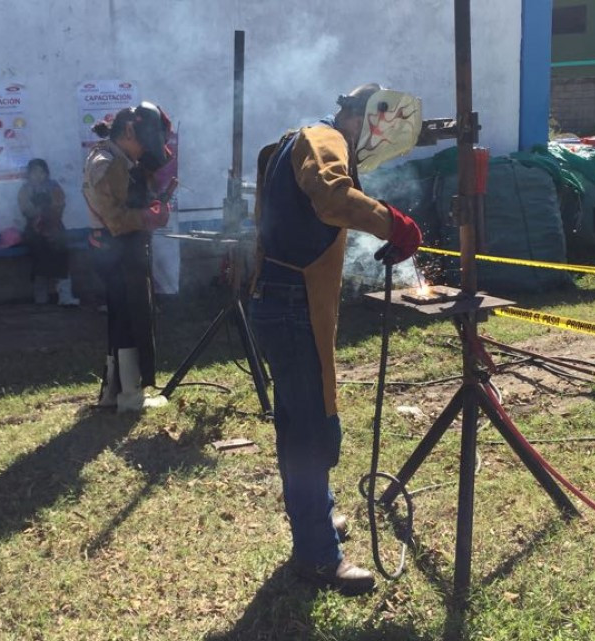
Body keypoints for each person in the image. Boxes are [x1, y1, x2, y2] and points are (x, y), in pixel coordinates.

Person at [249, 83, 422, 595]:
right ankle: (318, 556)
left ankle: (316, 518)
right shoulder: (326, 138)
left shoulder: (298, 137)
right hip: (290, 304)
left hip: (285, 300)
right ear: (361, 116)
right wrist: (395, 224)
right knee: (308, 433)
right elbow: (331, 197)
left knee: (308, 420)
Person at [82, 103, 175, 413]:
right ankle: (130, 398)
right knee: (127, 320)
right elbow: (116, 220)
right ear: (130, 133)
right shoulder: (106, 163)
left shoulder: (117, 158)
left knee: (123, 318)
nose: (145, 152)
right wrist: (150, 217)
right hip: (116, 250)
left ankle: (114, 393)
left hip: (119, 251)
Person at [18, 158, 78, 306]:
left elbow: (59, 205)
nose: (39, 176)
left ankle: (65, 296)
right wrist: (39, 213)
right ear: (29, 174)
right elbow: (26, 209)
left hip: (54, 226)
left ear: (47, 173)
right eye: (35, 172)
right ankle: (41, 299)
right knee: (39, 256)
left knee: (62, 252)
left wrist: (49, 213)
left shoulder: (54, 187)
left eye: (42, 172)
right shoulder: (25, 190)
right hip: (34, 229)